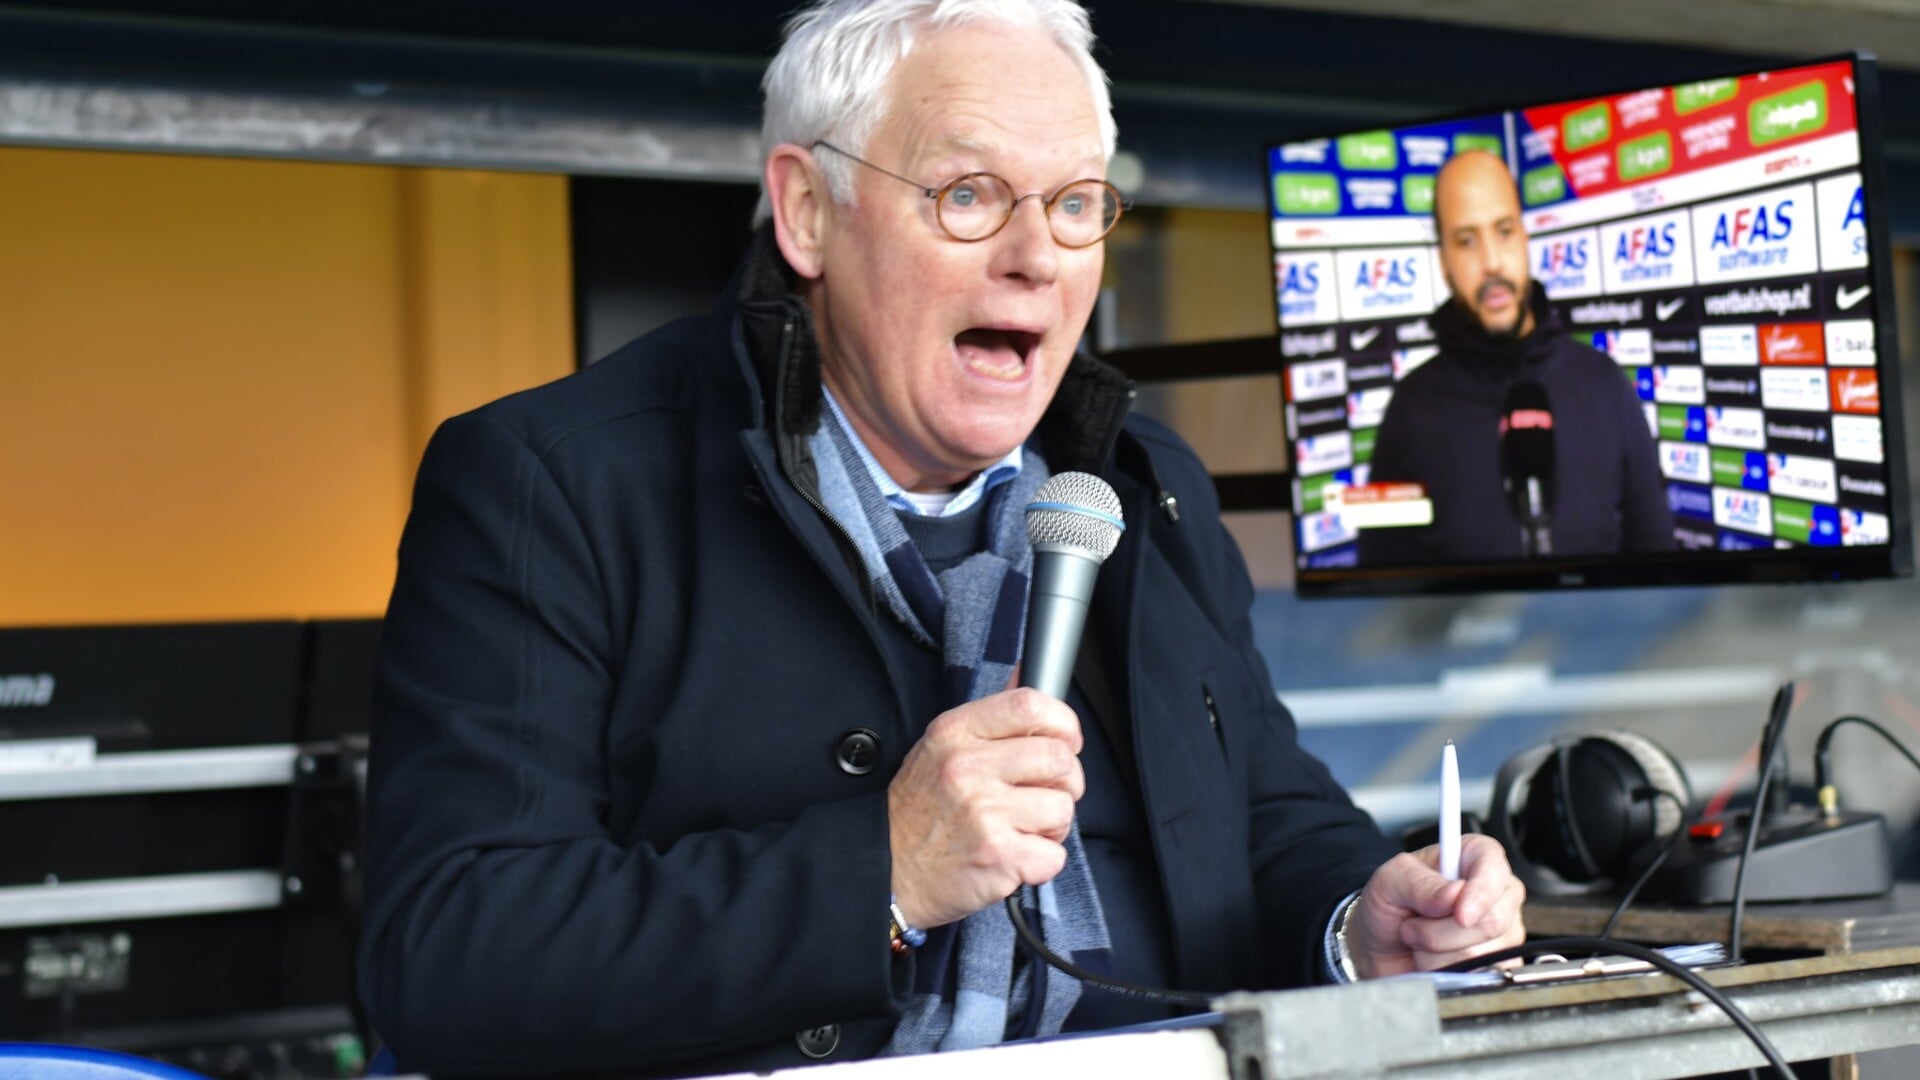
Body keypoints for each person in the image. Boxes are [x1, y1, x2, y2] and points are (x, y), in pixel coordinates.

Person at [359, 3, 1526, 1076]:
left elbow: (1263, 813)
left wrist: (1362, 920)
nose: (1037, 257)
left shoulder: (1140, 487)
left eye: (1075, 203)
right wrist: (886, 872)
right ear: (810, 210)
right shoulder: (551, 483)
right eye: (968, 194)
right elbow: (449, 956)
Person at [1358, 150, 1673, 566]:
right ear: (1444, 262)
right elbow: (1377, 583)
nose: (1491, 262)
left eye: (1504, 231)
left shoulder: (1605, 384)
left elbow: (1659, 559)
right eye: (1466, 241)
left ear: (1525, 237)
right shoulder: (1409, 411)